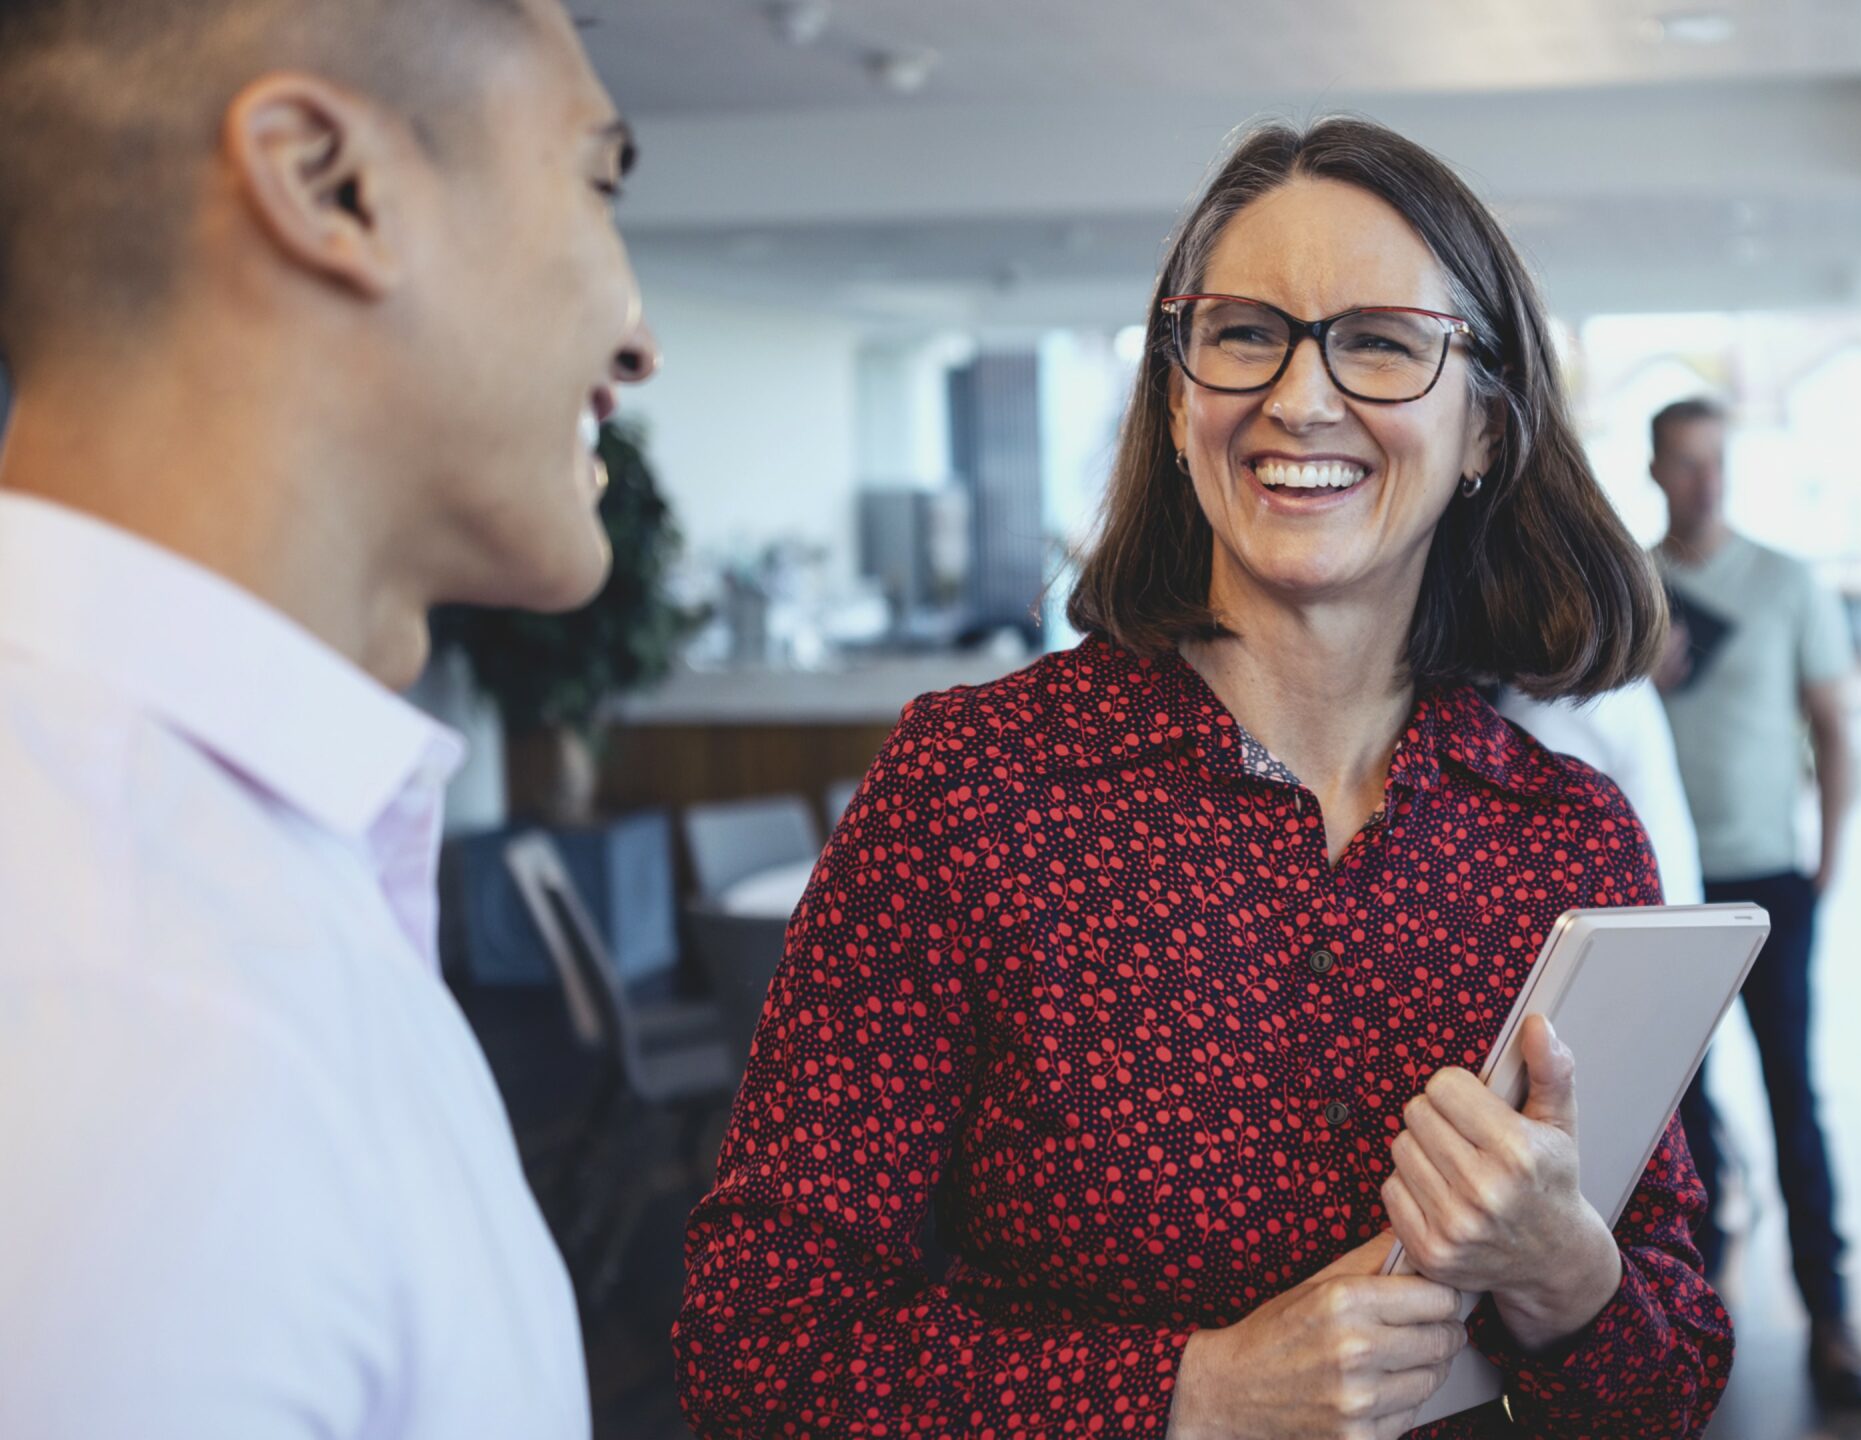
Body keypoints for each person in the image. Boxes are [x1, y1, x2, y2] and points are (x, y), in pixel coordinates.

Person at [673, 116, 1733, 1440]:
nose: (1298, 398)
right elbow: (755, 1345)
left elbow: (1672, 1383)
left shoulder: (1565, 838)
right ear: (1179, 400)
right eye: (1244, 334)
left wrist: (1564, 1272)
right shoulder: (975, 789)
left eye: (1382, 343)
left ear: (1482, 429)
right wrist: (1194, 1395)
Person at [0, 1, 659, 1434]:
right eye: (598, 181)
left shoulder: (203, 883)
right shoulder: (128, 1013)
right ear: (330, 185)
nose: (639, 340)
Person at [1646, 396, 1861, 1407]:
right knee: (1674, 1111)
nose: (1704, 481)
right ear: (1655, 471)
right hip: (1656, 888)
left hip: (1766, 876)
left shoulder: (1786, 583)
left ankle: (1831, 1318)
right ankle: (1694, 1312)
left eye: (1716, 463)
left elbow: (1831, 724)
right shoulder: (1628, 589)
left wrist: (1826, 859)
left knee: (1793, 1094)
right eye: (1686, 464)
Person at [1496, 680, 1705, 908]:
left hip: (1634, 922)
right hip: (1662, 911)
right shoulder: (1619, 688)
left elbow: (1535, 851)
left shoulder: (1563, 708)